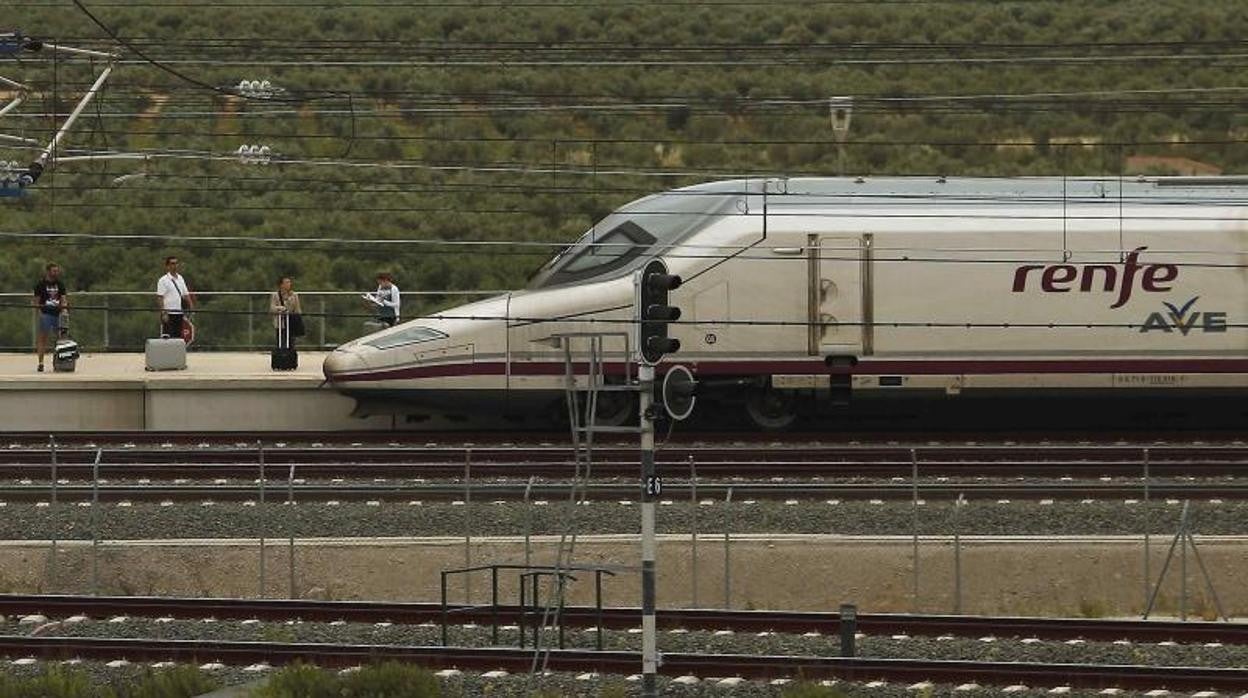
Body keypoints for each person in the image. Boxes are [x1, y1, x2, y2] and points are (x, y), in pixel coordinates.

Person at [32, 262, 67, 372]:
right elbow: (36, 301)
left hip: (58, 314)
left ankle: (59, 361)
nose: (56, 273)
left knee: (60, 339)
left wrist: (64, 310)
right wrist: (40, 314)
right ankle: (41, 362)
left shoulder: (60, 284)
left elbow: (63, 298)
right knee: (43, 338)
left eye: (57, 271)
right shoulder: (40, 284)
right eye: (54, 271)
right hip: (46, 313)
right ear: (48, 271)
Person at [155, 256, 193, 339]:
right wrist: (163, 312)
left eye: (176, 263)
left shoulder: (180, 278)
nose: (175, 266)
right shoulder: (163, 280)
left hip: (179, 313)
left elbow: (186, 294)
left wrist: (191, 307)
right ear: (167, 266)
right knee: (167, 336)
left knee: (178, 336)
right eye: (172, 264)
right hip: (168, 313)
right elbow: (160, 297)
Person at [269, 276, 303, 348]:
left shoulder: (294, 295)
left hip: (291, 322)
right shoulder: (275, 295)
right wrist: (280, 308)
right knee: (281, 341)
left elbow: (297, 309)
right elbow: (272, 308)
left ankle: (290, 356)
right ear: (281, 285)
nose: (289, 284)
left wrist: (299, 320)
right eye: (287, 282)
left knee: (291, 342)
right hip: (280, 323)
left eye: (289, 282)